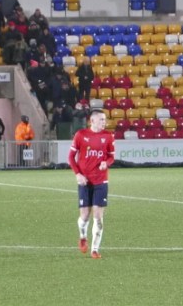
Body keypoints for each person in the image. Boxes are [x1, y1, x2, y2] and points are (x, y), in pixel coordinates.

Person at [68, 109, 115, 260]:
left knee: (98, 217)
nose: (104, 122)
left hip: (101, 180)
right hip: (85, 181)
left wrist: (106, 163)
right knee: (84, 215)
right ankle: (83, 236)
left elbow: (111, 157)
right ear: (92, 121)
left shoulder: (108, 136)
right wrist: (78, 174)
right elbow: (70, 157)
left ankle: (95, 249)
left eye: (105, 119)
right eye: (101, 119)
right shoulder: (81, 135)